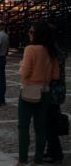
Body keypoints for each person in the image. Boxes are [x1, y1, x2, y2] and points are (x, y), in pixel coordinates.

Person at [16, 21, 60, 166]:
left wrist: (21, 65)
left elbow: (24, 72)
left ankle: (22, 161)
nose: (29, 34)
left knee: (23, 126)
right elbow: (55, 76)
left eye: (31, 32)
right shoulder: (50, 50)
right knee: (40, 128)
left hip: (29, 91)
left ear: (37, 34)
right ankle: (38, 161)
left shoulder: (31, 49)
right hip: (45, 92)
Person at [44, 25, 66, 164]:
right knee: (49, 123)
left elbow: (55, 75)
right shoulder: (55, 50)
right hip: (56, 92)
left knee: (49, 124)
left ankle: (56, 154)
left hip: (53, 93)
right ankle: (52, 151)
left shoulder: (53, 52)